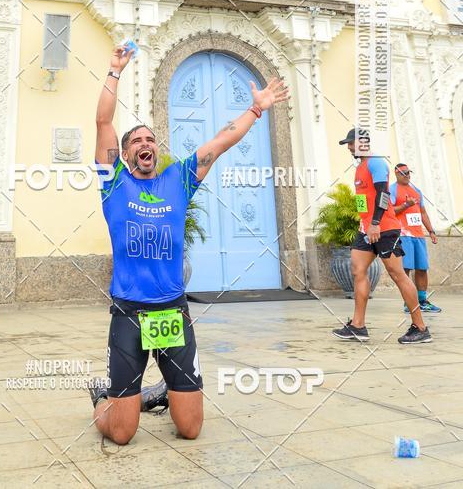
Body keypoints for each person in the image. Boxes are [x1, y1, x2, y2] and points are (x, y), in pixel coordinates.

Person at [89, 43, 289, 444]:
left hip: (172, 312)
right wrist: (114, 70)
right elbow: (102, 121)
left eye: (152, 139)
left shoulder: (178, 179)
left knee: (191, 429)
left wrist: (257, 108)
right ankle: (102, 399)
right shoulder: (114, 183)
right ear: (126, 153)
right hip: (129, 313)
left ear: (156, 150)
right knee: (122, 433)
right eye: (137, 141)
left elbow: (221, 140)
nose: (146, 143)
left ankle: (159, 393)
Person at [332, 129, 431, 344]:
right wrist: (364, 221)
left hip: (385, 228)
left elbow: (384, 195)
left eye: (351, 143)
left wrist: (376, 222)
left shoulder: (376, 163)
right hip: (366, 230)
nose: (349, 147)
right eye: (348, 144)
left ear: (363, 143)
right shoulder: (359, 169)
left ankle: (420, 327)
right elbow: (362, 200)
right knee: (358, 270)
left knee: (398, 274)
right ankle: (358, 326)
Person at [390, 163, 441, 314]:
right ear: (397, 174)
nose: (407, 175)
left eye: (409, 173)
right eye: (404, 173)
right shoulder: (392, 190)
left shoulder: (416, 190)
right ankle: (408, 302)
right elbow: (389, 211)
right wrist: (406, 204)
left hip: (418, 234)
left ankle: (422, 300)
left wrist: (431, 231)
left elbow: (423, 212)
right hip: (403, 235)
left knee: (422, 268)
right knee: (405, 268)